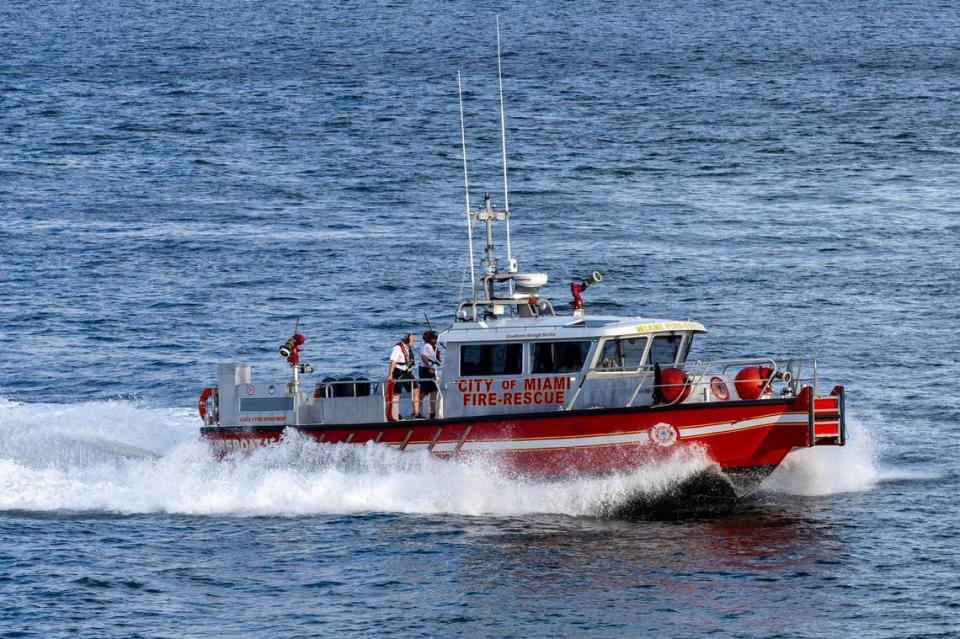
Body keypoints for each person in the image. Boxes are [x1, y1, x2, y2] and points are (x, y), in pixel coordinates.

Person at [387, 333, 423, 419]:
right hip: (399, 372)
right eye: (412, 341)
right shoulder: (398, 348)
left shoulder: (408, 348)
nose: (414, 342)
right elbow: (393, 361)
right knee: (396, 393)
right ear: (407, 341)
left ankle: (416, 413)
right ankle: (396, 413)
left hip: (407, 372)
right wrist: (390, 375)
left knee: (416, 389)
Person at [419, 330, 441, 419]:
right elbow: (424, 357)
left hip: (427, 370)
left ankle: (417, 411)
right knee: (433, 391)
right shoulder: (427, 346)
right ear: (430, 339)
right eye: (434, 338)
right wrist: (429, 368)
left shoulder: (431, 346)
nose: (436, 340)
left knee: (425, 392)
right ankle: (432, 413)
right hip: (427, 371)